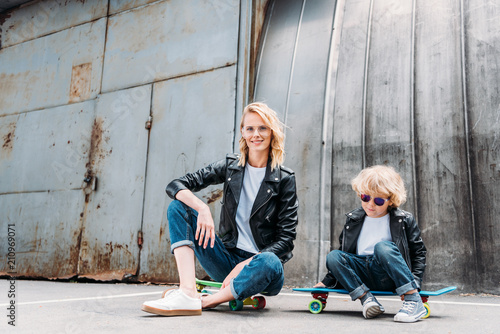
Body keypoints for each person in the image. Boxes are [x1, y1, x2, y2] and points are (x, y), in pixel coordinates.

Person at [141, 102, 299, 316]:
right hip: (226, 259)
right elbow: (176, 185)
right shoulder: (231, 167)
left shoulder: (284, 179)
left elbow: (286, 239)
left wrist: (245, 265)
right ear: (242, 132)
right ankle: (187, 292)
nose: (256, 134)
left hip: (262, 269)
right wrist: (202, 208)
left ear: (272, 132)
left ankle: (207, 302)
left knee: (270, 261)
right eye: (250, 128)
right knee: (178, 207)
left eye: (263, 128)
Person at [315, 165, 427, 322]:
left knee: (382, 247)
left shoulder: (403, 219)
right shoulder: (353, 219)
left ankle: (413, 300)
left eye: (379, 200)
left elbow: (418, 252)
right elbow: (344, 252)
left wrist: (414, 281)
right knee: (334, 256)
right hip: (361, 275)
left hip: (388, 275)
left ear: (391, 200)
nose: (370, 204)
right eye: (365, 197)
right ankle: (367, 300)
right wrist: (327, 282)